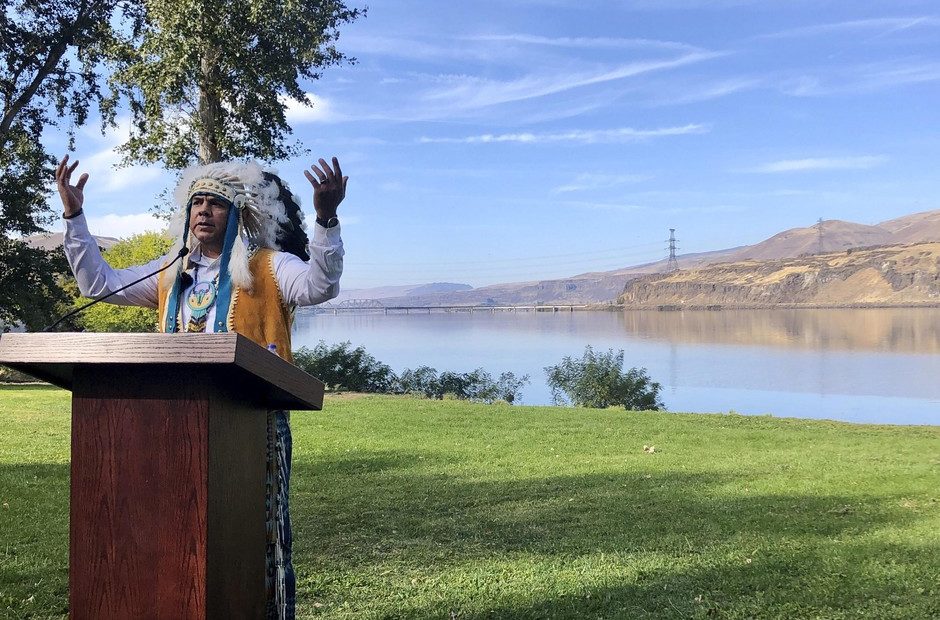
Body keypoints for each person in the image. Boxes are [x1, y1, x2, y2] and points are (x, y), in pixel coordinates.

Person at [55, 154, 346, 619]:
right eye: (198, 203)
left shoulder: (269, 267)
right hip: (174, 426)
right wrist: (74, 215)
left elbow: (320, 285)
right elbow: (98, 283)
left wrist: (326, 219)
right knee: (178, 529)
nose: (204, 211)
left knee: (250, 530)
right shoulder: (172, 274)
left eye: (216, 203)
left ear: (238, 215)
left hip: (252, 425)